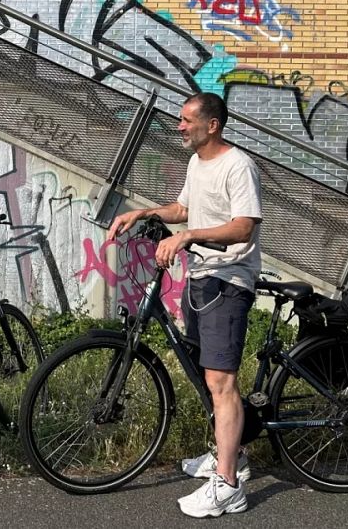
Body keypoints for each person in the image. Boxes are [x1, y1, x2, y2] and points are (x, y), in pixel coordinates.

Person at [106, 92, 262, 518]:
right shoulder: (197, 163)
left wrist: (189, 236)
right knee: (203, 372)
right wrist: (143, 212)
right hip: (201, 279)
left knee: (221, 383)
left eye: (187, 120)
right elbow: (183, 208)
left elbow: (243, 227)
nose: (179, 126)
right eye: (180, 119)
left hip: (228, 280)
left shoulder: (238, 165)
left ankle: (229, 485)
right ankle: (233, 455)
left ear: (212, 125)